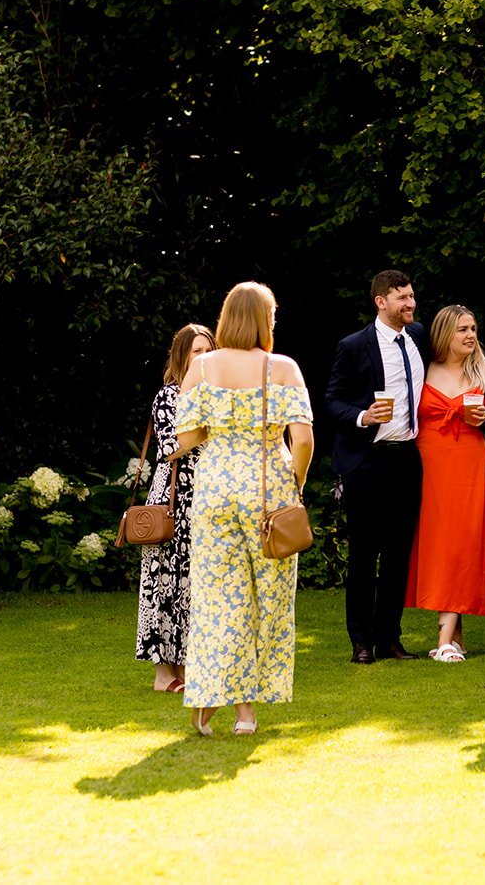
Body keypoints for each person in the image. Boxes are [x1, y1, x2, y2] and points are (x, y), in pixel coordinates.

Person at [170, 282, 314, 737]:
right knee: (266, 601)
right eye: (272, 315)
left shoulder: (201, 367)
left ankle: (210, 702)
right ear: (262, 319)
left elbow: (185, 440)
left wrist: (220, 435)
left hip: (215, 493)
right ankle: (247, 716)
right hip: (270, 491)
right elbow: (304, 440)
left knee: (218, 601)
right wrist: (298, 480)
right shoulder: (283, 368)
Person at [325, 269, 428, 665]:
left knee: (399, 554)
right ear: (380, 302)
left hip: (406, 458)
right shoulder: (353, 346)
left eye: (412, 296)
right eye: (402, 298)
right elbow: (332, 401)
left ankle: (390, 639)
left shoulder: (418, 336)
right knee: (365, 554)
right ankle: (361, 642)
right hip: (367, 460)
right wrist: (363, 416)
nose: (410, 304)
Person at [406, 305, 485, 662]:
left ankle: (445, 640)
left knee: (463, 543)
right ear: (443, 335)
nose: (470, 335)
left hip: (468, 463)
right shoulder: (423, 370)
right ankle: (456, 637)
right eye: (461, 330)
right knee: (439, 545)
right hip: (428, 465)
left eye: (472, 328)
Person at [135, 322, 212, 693]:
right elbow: (168, 447)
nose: (204, 357)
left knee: (192, 585)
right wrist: (206, 429)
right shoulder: (169, 395)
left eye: (208, 350)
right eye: (197, 351)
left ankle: (185, 665)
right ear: (182, 356)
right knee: (165, 583)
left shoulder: (215, 392)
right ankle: (163, 674)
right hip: (173, 497)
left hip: (207, 495)